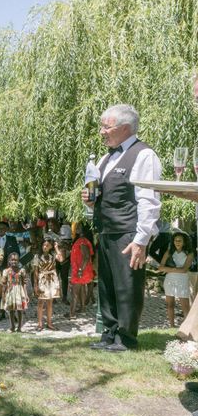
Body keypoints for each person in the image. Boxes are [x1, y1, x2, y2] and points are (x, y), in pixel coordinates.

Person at [82, 104, 162, 352]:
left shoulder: (144, 155)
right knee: (106, 284)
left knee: (127, 285)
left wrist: (141, 240)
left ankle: (126, 338)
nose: (101, 131)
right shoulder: (106, 157)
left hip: (128, 232)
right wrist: (90, 198)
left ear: (125, 128)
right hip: (106, 230)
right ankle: (109, 332)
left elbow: (149, 200)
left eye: (106, 126)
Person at [159, 231, 193, 327]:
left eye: (180, 240)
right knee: (170, 305)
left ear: (184, 242)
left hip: (182, 280)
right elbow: (160, 267)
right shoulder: (169, 252)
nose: (177, 242)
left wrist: (168, 269)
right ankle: (172, 326)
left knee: (185, 306)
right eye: (175, 240)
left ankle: (187, 327)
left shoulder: (189, 254)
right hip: (169, 280)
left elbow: (184, 270)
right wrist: (175, 269)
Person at [32, 237, 64, 331]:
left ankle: (49, 323)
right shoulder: (37, 257)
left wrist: (56, 248)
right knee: (41, 302)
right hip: (42, 280)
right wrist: (35, 285)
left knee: (50, 302)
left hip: (52, 280)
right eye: (44, 245)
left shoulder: (53, 256)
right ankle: (39, 324)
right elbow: (35, 272)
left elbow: (61, 259)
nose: (45, 247)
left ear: (50, 247)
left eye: (47, 245)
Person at [68, 222, 94, 319]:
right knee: (82, 289)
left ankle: (72, 313)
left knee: (74, 292)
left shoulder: (82, 241)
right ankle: (82, 308)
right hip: (82, 270)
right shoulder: (82, 240)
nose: (77, 228)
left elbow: (86, 256)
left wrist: (80, 270)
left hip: (80, 270)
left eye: (79, 226)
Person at [0, 221, 20, 321]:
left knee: (11, 291)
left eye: (2, 228)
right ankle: (1, 312)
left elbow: (17, 253)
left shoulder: (12, 239)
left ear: (6, 229)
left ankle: (12, 313)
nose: (0, 230)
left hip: (9, 269)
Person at [1, 252, 29, 332]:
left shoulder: (22, 270)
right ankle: (12, 326)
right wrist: (3, 294)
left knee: (20, 309)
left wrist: (26, 295)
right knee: (11, 309)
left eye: (16, 260)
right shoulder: (6, 271)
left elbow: (24, 283)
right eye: (12, 260)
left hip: (19, 291)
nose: (14, 261)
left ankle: (19, 327)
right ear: (9, 260)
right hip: (10, 291)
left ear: (18, 260)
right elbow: (4, 284)